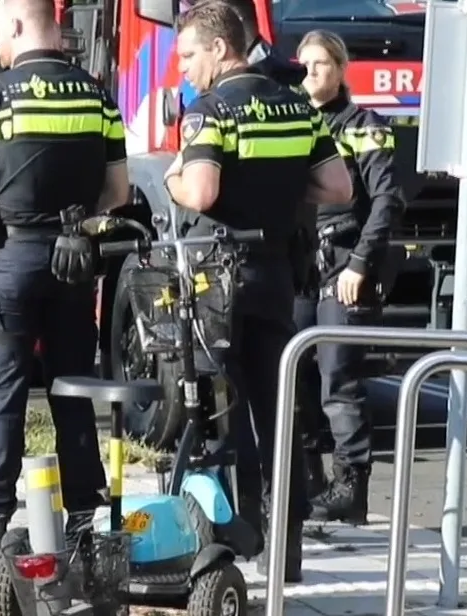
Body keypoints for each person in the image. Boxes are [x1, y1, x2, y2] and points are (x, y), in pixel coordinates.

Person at [0, 0, 130, 576]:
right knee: (74, 392)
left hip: (11, 261)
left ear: (19, 26)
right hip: (75, 263)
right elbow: (118, 191)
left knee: (5, 396)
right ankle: (84, 529)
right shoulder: (97, 95)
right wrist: (76, 222)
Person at [164, 2, 353, 579]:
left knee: (222, 407)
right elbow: (338, 186)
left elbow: (201, 192)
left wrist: (172, 178)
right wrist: (282, 191)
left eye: (189, 55)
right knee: (278, 408)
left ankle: (240, 529)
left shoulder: (210, 110)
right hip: (276, 274)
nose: (184, 69)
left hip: (219, 279)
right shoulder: (296, 105)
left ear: (221, 49)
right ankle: (287, 544)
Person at [293, 30, 403, 525]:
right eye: (304, 64)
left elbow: (387, 200)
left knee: (339, 377)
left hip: (344, 262)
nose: (310, 73)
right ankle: (305, 481)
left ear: (340, 70)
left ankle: (350, 487)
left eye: (320, 64)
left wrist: (360, 263)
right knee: (292, 373)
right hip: (300, 263)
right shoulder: (293, 121)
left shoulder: (366, 126)